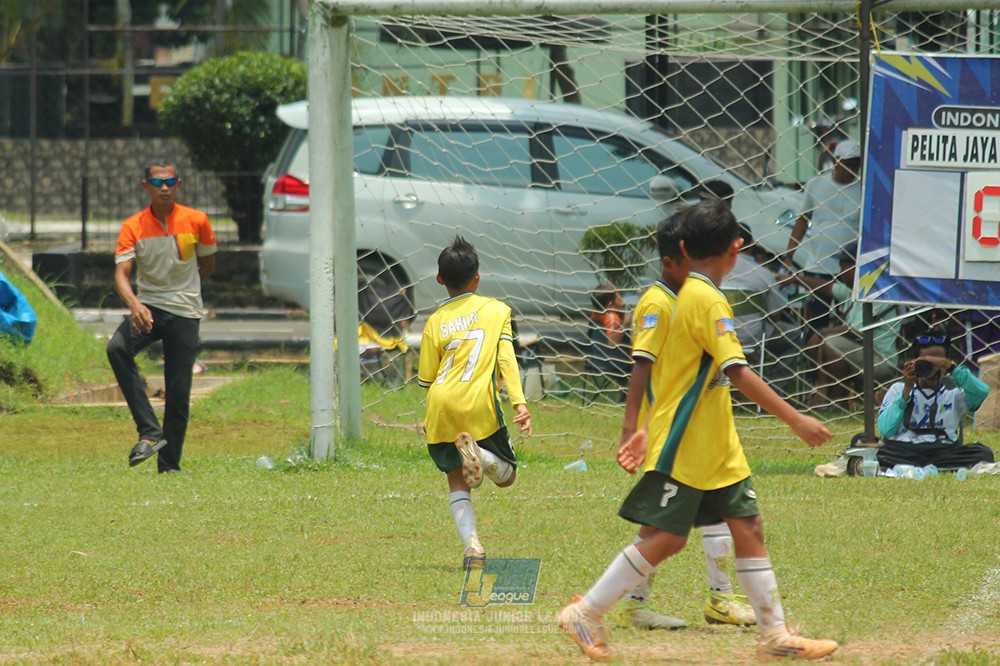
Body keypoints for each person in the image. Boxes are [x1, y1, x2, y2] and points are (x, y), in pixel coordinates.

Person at [557, 201, 838, 662]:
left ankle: (774, 633)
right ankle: (585, 612)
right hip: (686, 443)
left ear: (684, 248)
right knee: (667, 537)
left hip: (714, 442)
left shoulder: (690, 294)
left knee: (748, 526)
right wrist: (797, 419)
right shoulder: (706, 299)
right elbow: (738, 372)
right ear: (738, 248)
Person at [611, 213, 756, 632]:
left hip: (703, 427)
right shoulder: (657, 302)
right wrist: (632, 428)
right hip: (672, 429)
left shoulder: (694, 296)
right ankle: (627, 604)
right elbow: (641, 366)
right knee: (659, 526)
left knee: (717, 513)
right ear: (672, 262)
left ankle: (721, 599)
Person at [417, 236, 532, 569]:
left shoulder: (434, 321)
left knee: (456, 479)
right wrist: (519, 404)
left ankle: (473, 549)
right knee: (507, 476)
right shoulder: (497, 311)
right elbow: (507, 360)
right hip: (478, 404)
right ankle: (481, 454)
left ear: (440, 279)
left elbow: (427, 379)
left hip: (441, 405)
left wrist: (431, 414)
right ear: (477, 276)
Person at [107, 158, 216, 473]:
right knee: (117, 348)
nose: (164, 188)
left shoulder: (197, 221)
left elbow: (207, 265)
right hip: (149, 308)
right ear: (146, 186)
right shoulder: (133, 225)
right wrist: (136, 305)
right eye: (157, 183)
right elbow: (121, 274)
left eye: (170, 182)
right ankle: (150, 431)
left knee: (178, 391)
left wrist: (188, 289)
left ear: (179, 184)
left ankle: (169, 466)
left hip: (185, 311)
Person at [784, 242, 900, 408]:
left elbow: (855, 331)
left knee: (831, 342)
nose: (840, 273)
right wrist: (795, 279)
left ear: (857, 268)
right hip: (862, 353)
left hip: (881, 360)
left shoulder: (876, 292)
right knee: (818, 340)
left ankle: (839, 400)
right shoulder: (854, 290)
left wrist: (822, 332)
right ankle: (824, 393)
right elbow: (826, 288)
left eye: (843, 268)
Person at [876, 329, 994, 469]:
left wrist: (952, 369)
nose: (932, 369)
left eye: (937, 363)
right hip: (905, 449)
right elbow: (885, 430)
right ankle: (936, 466)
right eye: (926, 362)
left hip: (943, 451)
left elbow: (982, 391)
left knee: (983, 452)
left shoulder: (954, 393)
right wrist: (905, 393)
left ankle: (918, 466)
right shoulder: (898, 389)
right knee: (865, 443)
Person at [782, 139, 862, 328]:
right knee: (816, 323)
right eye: (847, 164)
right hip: (818, 267)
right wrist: (789, 255)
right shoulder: (816, 184)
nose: (851, 169)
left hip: (849, 271)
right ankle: (816, 356)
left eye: (855, 164)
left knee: (850, 324)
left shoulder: (864, 188)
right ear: (835, 161)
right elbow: (803, 220)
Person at [587, 284, 633, 394]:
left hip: (596, 359)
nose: (621, 300)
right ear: (611, 304)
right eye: (618, 297)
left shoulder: (596, 315)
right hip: (616, 362)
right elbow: (612, 342)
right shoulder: (612, 317)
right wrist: (625, 324)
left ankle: (624, 391)